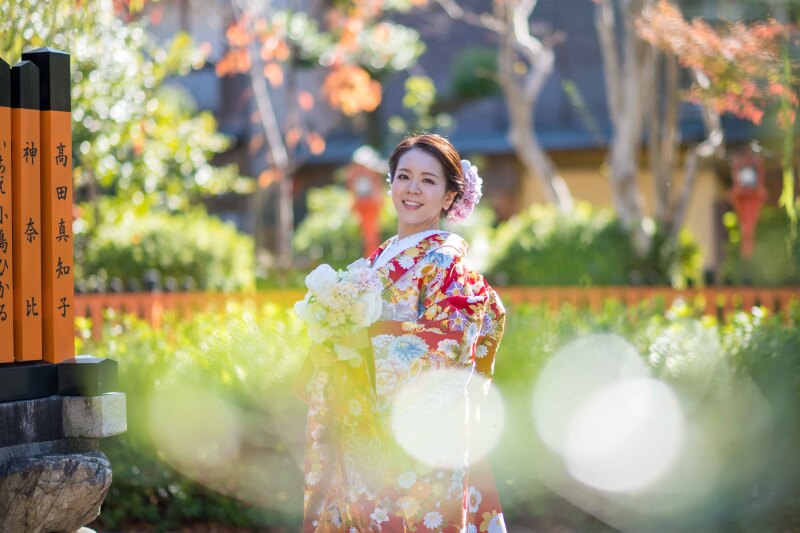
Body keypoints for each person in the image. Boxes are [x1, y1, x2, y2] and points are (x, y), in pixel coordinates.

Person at [298, 133, 507, 532]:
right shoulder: (381, 257)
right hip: (362, 428)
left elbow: (454, 339)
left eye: (428, 181)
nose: (412, 188)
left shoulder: (445, 262)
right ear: (391, 182)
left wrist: (365, 340)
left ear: (449, 197)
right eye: (404, 176)